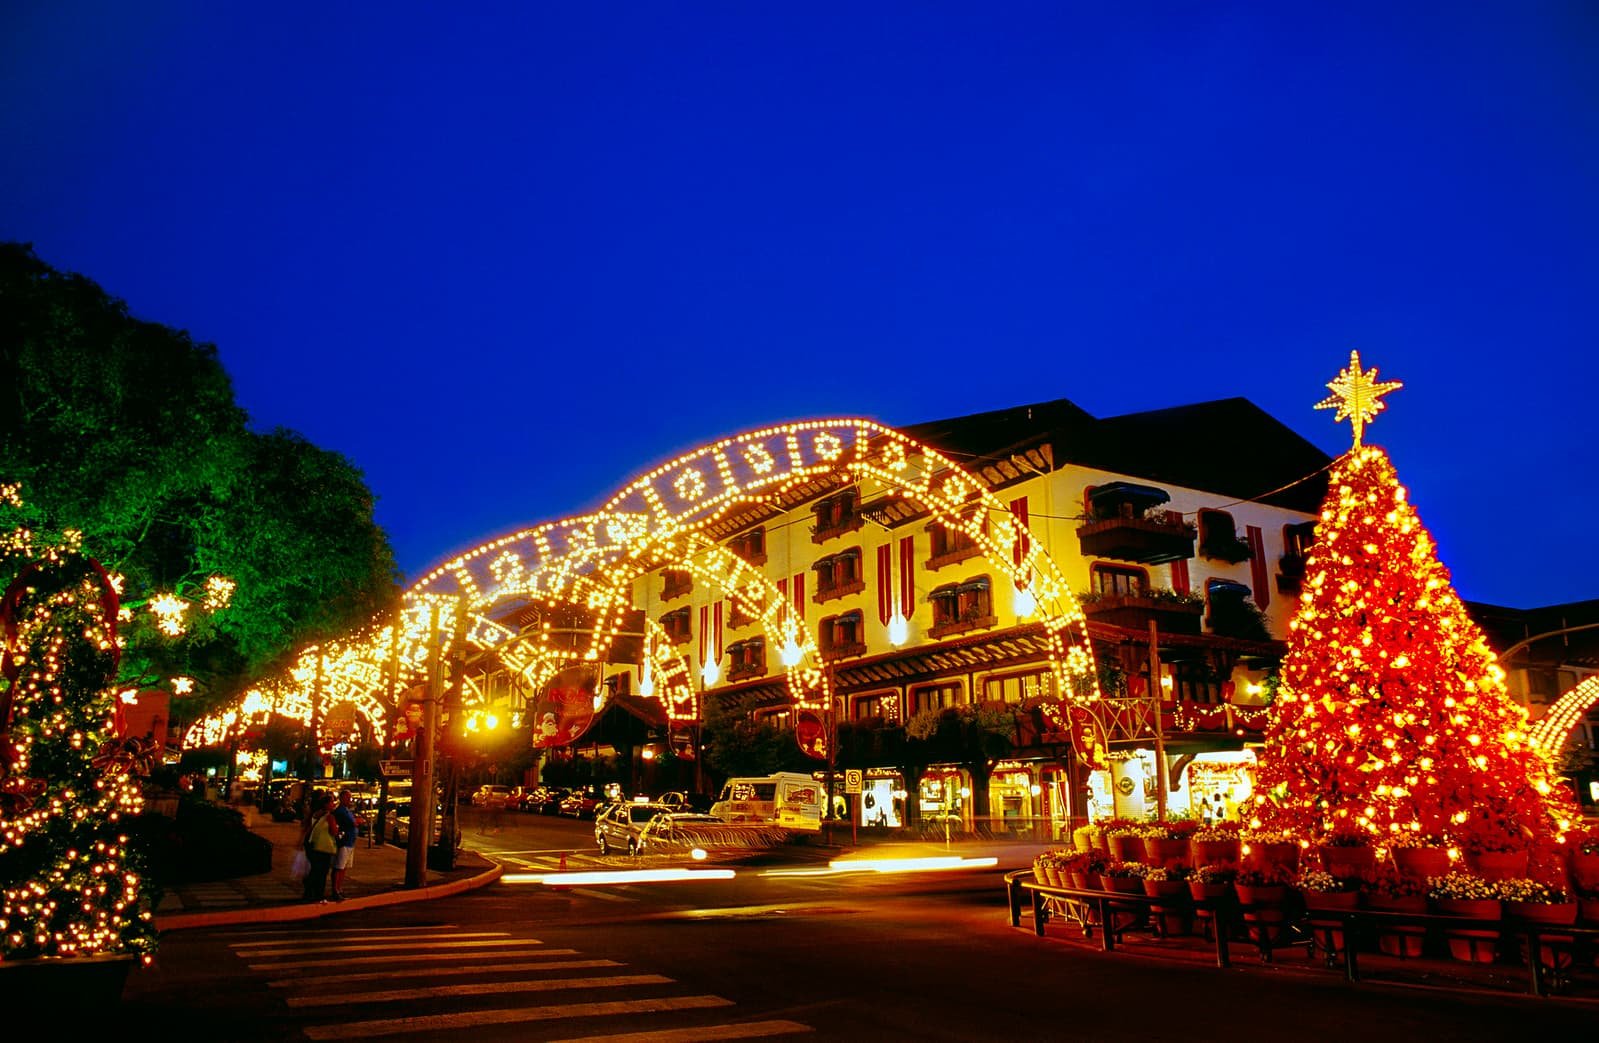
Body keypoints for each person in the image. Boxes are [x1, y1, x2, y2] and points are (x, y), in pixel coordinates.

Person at [301, 791, 339, 903]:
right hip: (324, 847)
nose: (333, 804)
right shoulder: (329, 817)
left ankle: (308, 892)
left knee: (314, 870)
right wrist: (338, 830)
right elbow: (334, 831)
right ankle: (318, 894)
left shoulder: (316, 814)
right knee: (322, 872)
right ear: (326, 804)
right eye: (332, 802)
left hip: (313, 845)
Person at [330, 787, 359, 901]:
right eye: (347, 797)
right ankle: (335, 889)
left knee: (344, 867)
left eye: (350, 797)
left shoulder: (347, 810)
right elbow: (352, 823)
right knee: (339, 866)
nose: (349, 799)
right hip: (344, 841)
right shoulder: (340, 810)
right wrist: (357, 822)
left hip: (350, 842)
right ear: (341, 798)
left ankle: (339, 888)